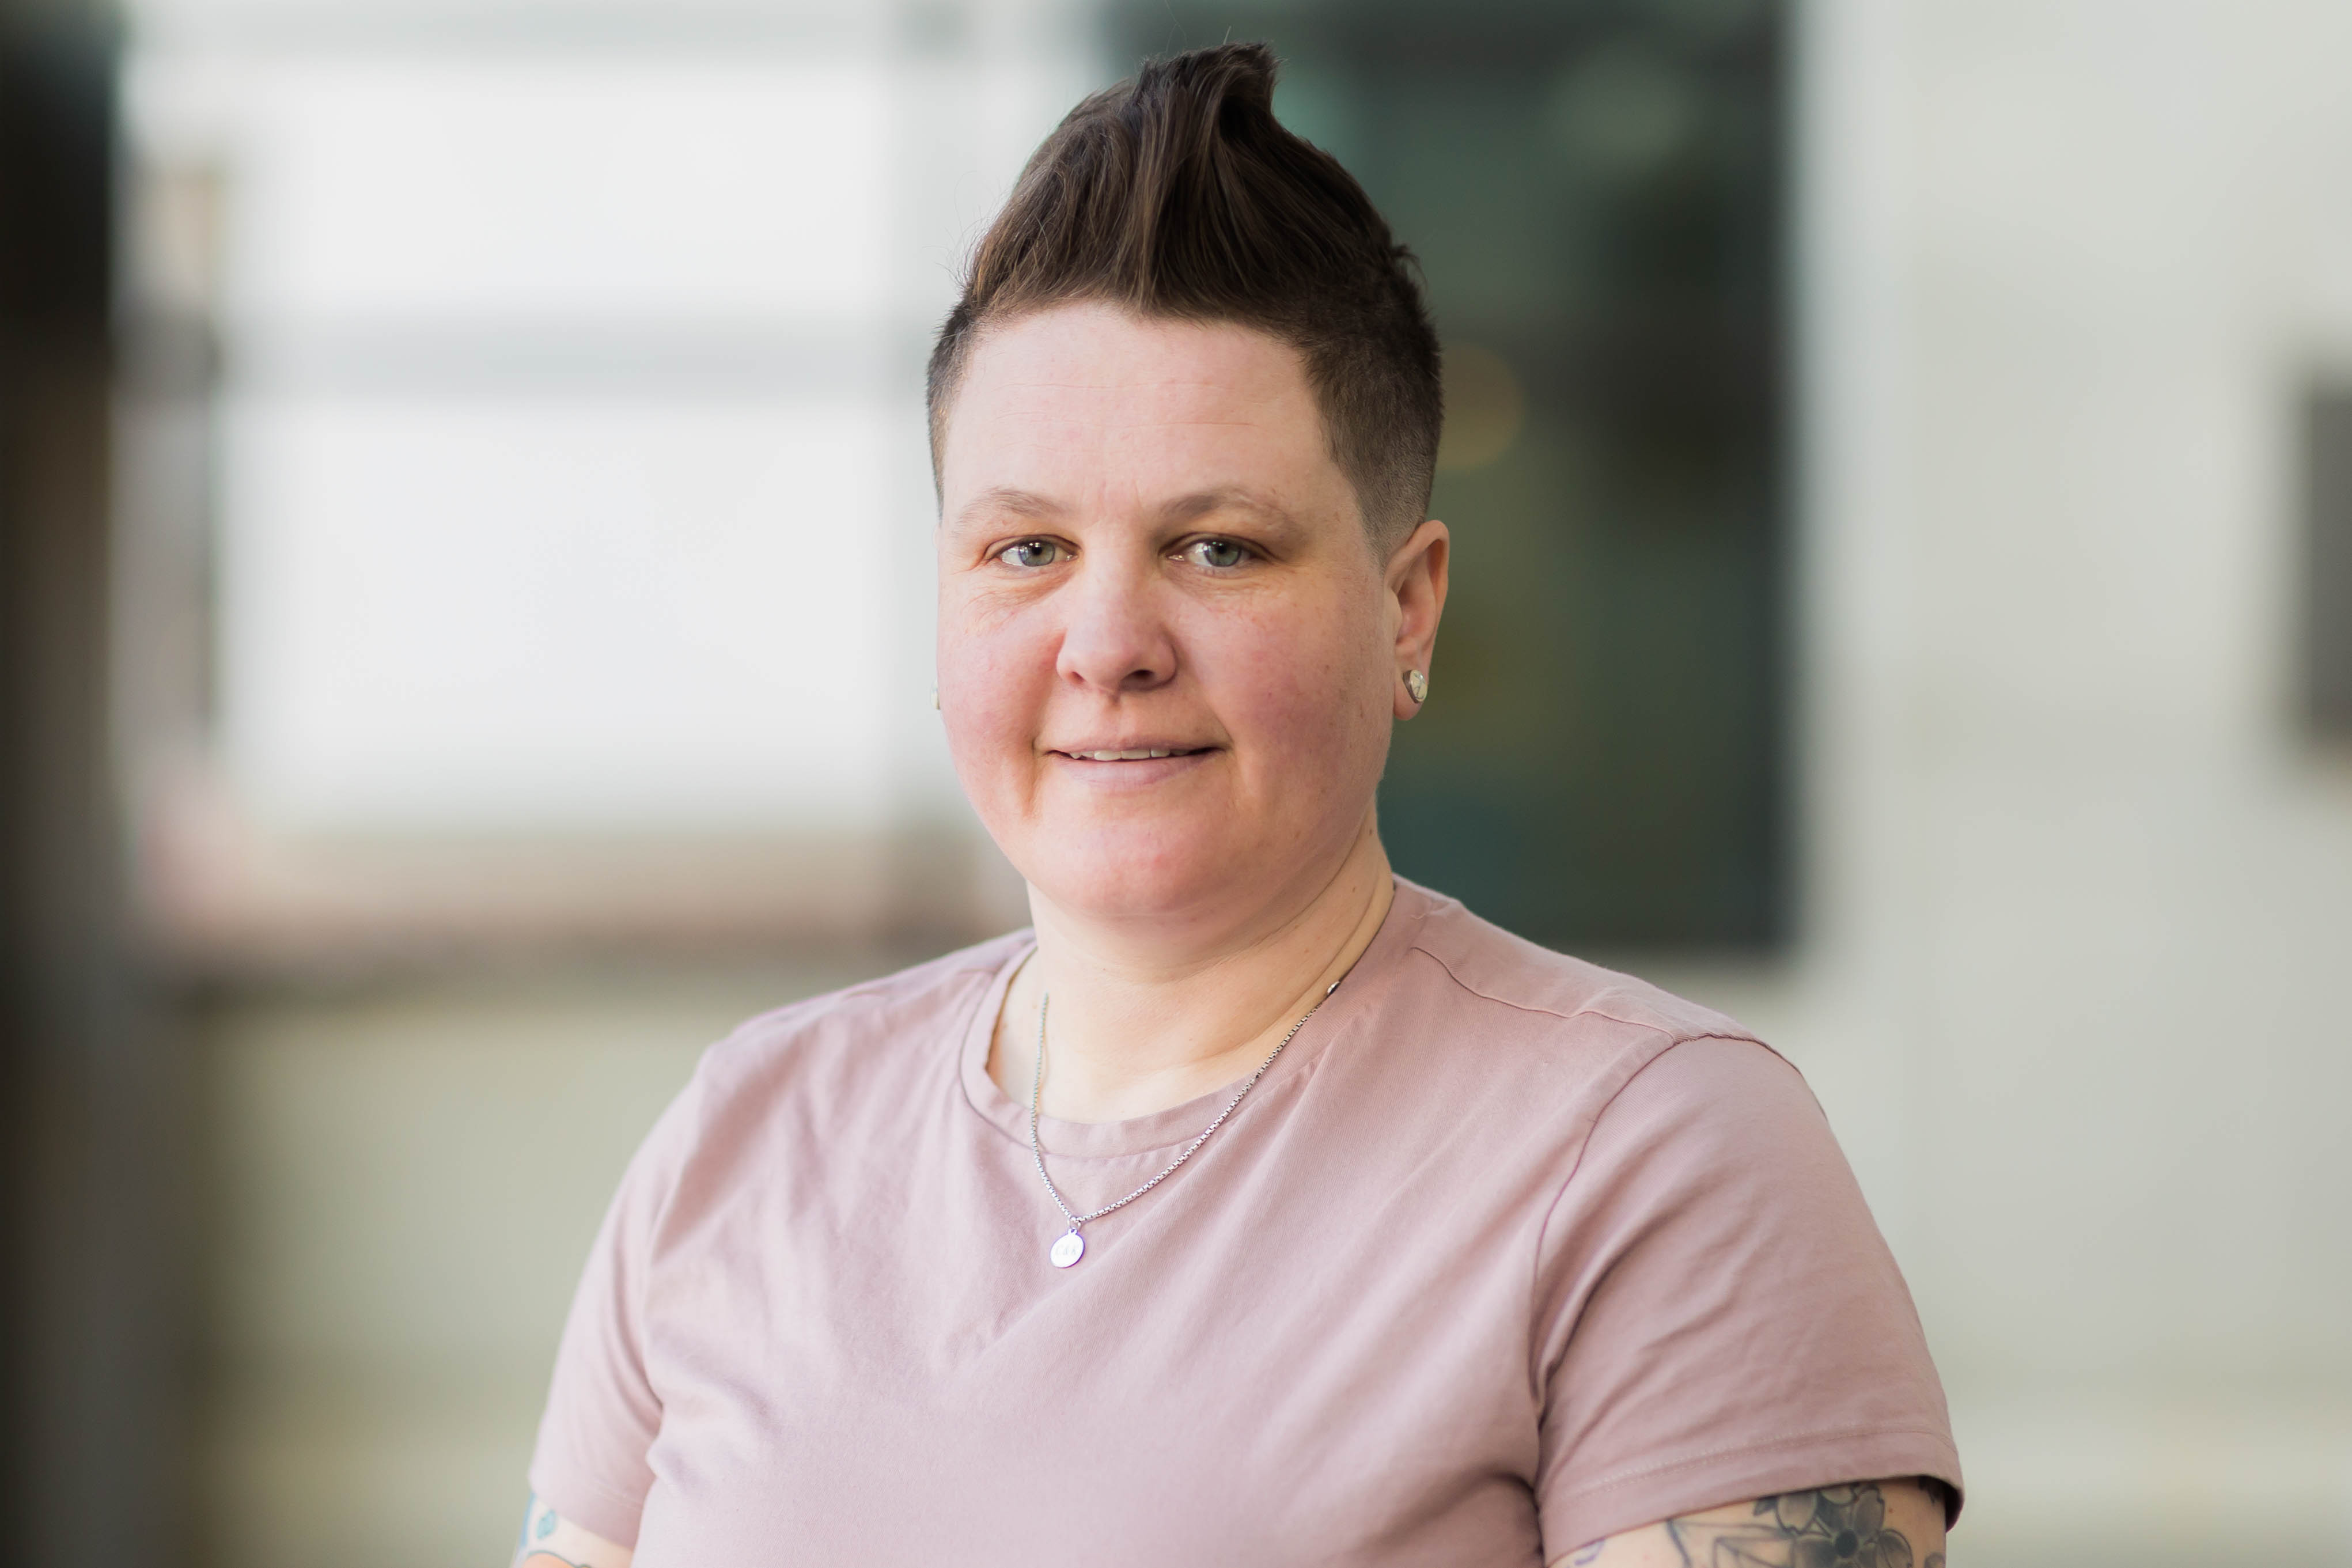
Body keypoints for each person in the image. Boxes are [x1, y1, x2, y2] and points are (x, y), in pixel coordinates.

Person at [515, 42, 1961, 1568]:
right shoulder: (748, 1134)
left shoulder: (1651, 1157)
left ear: (1407, 608)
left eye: (1218, 547)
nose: (1108, 645)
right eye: (1025, 551)